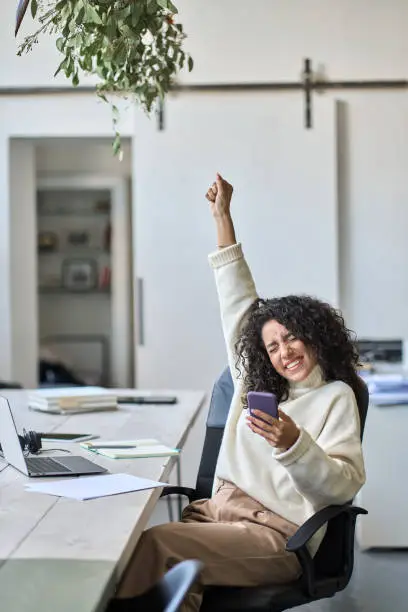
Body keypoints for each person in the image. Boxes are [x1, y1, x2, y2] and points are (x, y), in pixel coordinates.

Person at [111, 173, 366, 611]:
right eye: (272, 346)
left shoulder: (337, 397)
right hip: (216, 515)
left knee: (160, 547)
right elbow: (236, 300)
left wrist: (294, 445)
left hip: (279, 535)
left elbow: (342, 487)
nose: (284, 352)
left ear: (313, 336)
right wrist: (222, 217)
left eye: (292, 338)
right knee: (162, 569)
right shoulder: (255, 385)